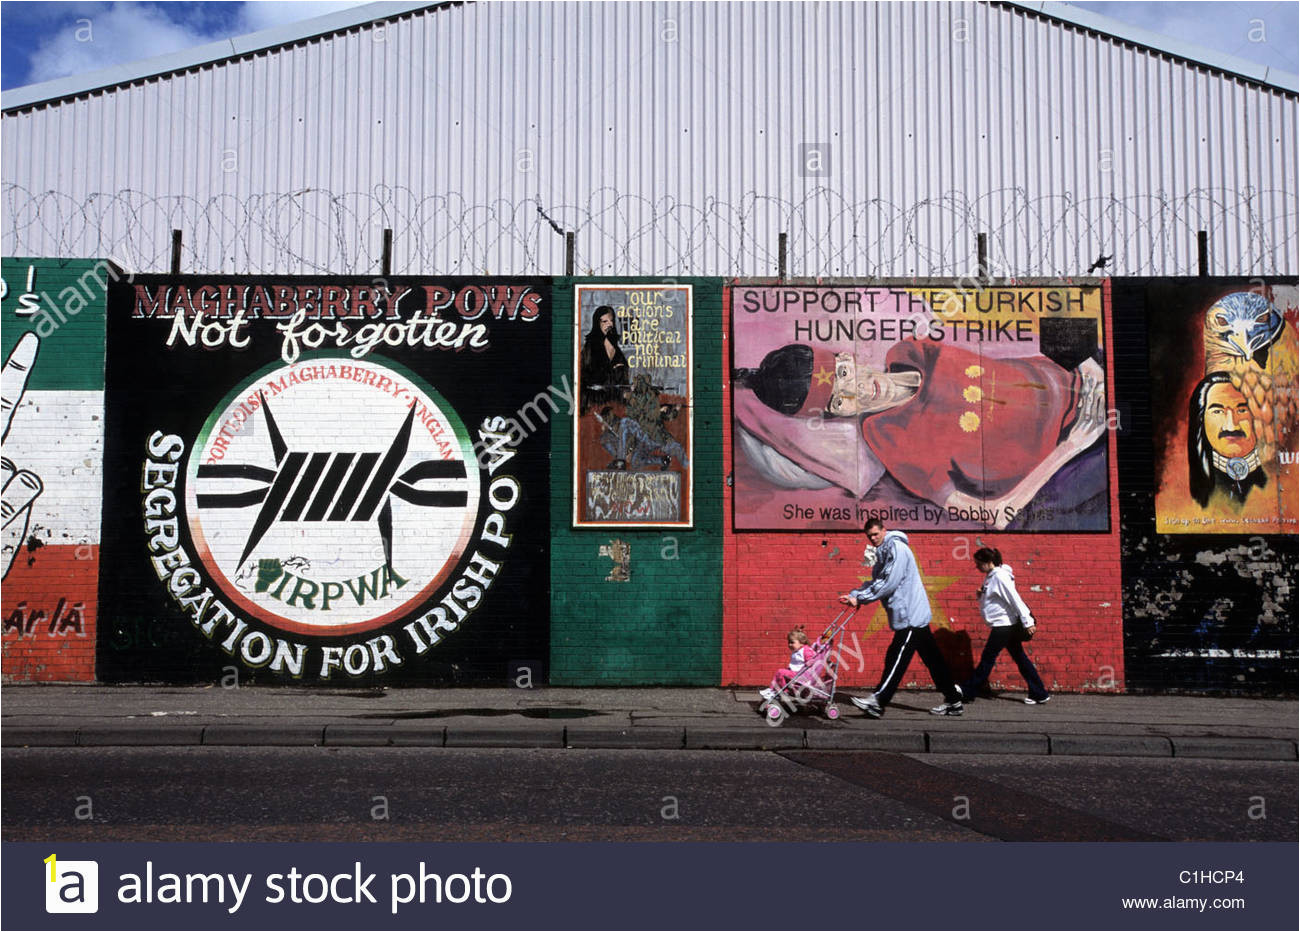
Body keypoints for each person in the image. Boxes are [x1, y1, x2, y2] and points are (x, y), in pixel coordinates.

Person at [735, 341, 1107, 528]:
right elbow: (994, 516)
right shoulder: (891, 442)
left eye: (845, 377)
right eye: (839, 402)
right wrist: (1072, 447)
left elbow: (1054, 331)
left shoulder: (912, 350)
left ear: (846, 358)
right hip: (1074, 459)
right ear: (836, 417)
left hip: (1091, 382)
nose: (859, 393)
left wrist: (1090, 366)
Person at [839, 518, 963, 717]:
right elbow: (877, 580)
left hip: (910, 616)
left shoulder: (896, 549)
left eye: (876, 534)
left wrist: (861, 598)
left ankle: (879, 701)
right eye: (869, 536)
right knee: (934, 661)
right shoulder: (883, 553)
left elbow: (888, 582)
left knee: (896, 658)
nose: (873, 538)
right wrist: (855, 594)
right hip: (911, 615)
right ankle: (954, 701)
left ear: (884, 530)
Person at [958, 547, 1051, 705]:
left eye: (979, 563)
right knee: (1020, 658)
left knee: (987, 658)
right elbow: (993, 600)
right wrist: (981, 594)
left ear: (988, 562)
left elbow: (1014, 599)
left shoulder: (1000, 577)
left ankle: (968, 691)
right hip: (1004, 625)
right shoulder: (991, 576)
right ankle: (1039, 693)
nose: (977, 567)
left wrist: (1027, 621)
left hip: (1004, 625)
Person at [1188, 372, 1267, 507]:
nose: (1231, 426)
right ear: (1201, 420)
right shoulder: (1197, 492)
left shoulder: (1277, 481)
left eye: (1242, 410)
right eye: (1218, 412)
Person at [579, 305, 629, 413]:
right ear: (598, 324)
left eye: (611, 321)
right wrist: (615, 370)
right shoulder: (591, 345)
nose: (609, 324)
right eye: (605, 321)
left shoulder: (614, 345)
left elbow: (624, 370)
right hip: (596, 399)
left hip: (615, 397)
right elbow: (590, 374)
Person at [759, 627, 818, 701]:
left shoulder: (806, 650)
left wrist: (810, 661)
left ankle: (782, 691)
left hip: (800, 675)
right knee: (779, 673)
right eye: (789, 642)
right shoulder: (798, 650)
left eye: (792, 642)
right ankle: (773, 690)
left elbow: (811, 657)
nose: (789, 644)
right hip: (795, 673)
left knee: (780, 672)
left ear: (801, 642)